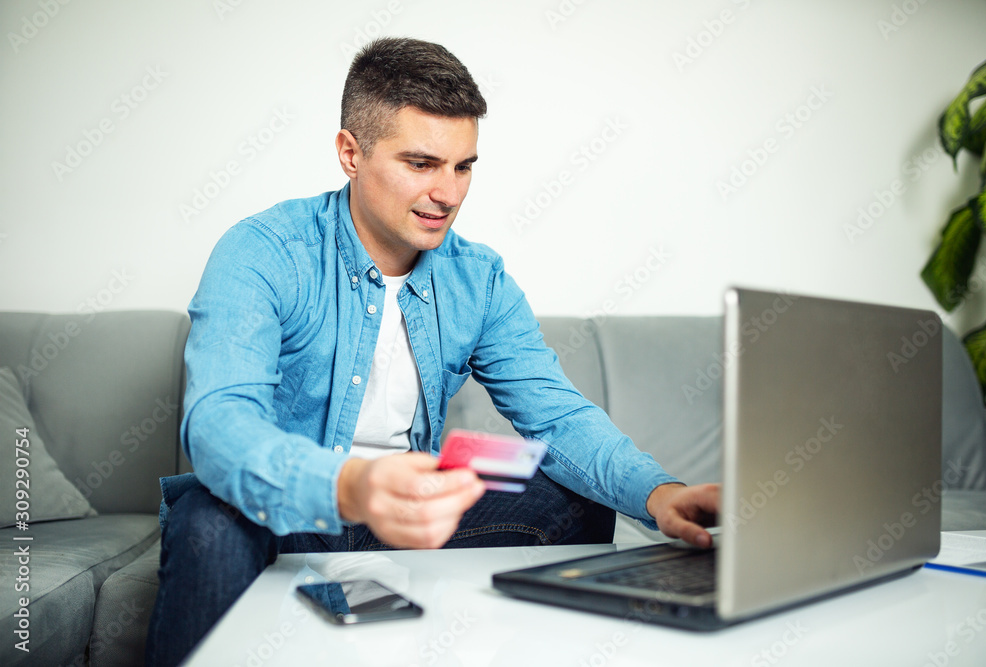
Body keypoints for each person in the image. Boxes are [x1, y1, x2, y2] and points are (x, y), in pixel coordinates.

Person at [146, 36, 718, 666]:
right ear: (350, 153)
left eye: (462, 166)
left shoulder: (479, 278)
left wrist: (658, 493)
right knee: (208, 523)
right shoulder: (264, 252)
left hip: (409, 515)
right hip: (290, 508)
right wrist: (352, 485)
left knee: (575, 500)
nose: (448, 193)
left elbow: (557, 416)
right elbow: (219, 426)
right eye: (421, 164)